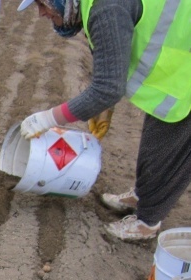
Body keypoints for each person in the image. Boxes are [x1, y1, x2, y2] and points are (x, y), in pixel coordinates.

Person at [17, 0, 191, 241]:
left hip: (184, 73)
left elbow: (108, 88)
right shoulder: (96, 6)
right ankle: (143, 195)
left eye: (43, 4)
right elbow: (112, 69)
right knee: (158, 137)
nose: (41, 14)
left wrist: (48, 118)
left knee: (170, 146)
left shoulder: (105, 8)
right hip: (176, 71)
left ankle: (147, 222)